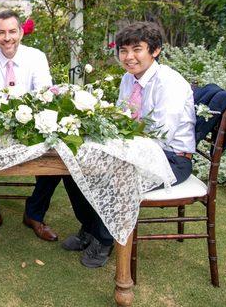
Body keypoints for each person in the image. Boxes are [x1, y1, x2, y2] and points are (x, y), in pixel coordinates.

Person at [61, 21, 197, 268]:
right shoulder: (128, 79)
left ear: (154, 50)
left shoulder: (170, 83)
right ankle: (90, 228)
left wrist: (114, 150)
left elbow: (160, 134)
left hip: (171, 159)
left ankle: (104, 240)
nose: (129, 57)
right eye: (124, 51)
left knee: (115, 172)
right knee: (72, 164)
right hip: (135, 149)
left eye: (137, 49)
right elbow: (120, 120)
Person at [0, 9, 60, 244]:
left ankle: (34, 213)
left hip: (30, 127)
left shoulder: (36, 57)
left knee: (59, 154)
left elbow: (45, 93)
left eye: (12, 32)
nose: (7, 38)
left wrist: (25, 114)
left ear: (21, 33)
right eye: (1, 33)